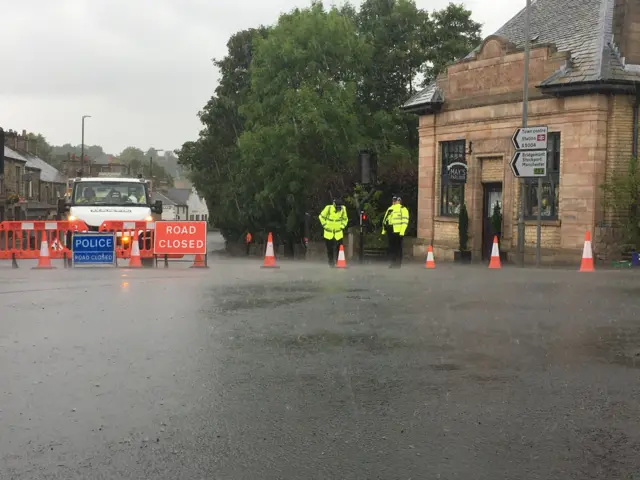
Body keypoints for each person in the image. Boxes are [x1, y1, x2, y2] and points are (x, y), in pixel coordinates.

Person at [319, 198, 348, 267]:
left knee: (339, 248)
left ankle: (339, 262)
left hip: (338, 233)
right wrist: (325, 225)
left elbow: (345, 219)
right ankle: (331, 263)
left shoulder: (343, 209)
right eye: (337, 207)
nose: (338, 209)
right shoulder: (328, 208)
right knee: (330, 249)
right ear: (334, 205)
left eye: (339, 207)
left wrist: (342, 226)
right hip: (328, 233)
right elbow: (321, 217)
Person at [382, 195, 409, 268]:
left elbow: (404, 221)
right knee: (392, 248)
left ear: (399, 201)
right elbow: (385, 220)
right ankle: (393, 263)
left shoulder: (402, 209)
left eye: (395, 200)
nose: (394, 202)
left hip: (398, 231)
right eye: (393, 200)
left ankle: (398, 263)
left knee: (398, 248)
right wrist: (384, 230)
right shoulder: (390, 209)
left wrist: (402, 231)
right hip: (390, 230)